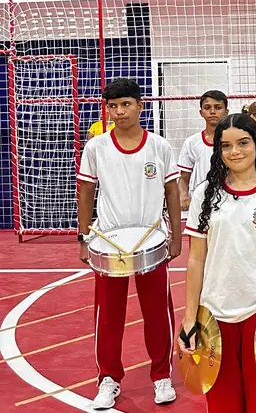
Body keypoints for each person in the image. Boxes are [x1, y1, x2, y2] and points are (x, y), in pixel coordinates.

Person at [180, 113, 256, 413]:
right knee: (222, 405)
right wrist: (189, 317)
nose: (235, 152)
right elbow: (195, 258)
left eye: (243, 142)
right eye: (226, 146)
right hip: (214, 313)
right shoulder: (204, 194)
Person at [76, 78, 181, 409]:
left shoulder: (160, 146)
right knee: (108, 316)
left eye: (125, 104)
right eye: (113, 106)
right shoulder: (96, 148)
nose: (119, 112)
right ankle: (108, 379)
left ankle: (161, 375)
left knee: (157, 313)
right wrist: (83, 237)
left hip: (150, 239)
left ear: (140, 105)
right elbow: (85, 193)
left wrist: (176, 235)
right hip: (109, 241)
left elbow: (172, 194)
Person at [178, 90, 229, 210]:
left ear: (226, 112)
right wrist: (183, 195)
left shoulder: (234, 141)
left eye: (218, 107)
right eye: (207, 107)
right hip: (200, 203)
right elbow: (184, 178)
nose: (212, 111)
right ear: (201, 112)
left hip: (230, 201)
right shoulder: (192, 142)